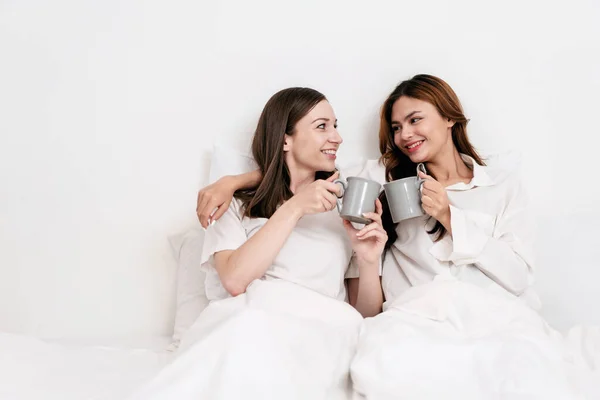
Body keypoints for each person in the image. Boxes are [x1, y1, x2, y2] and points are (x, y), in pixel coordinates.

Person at [196, 75, 589, 398]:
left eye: (415, 120)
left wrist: (449, 219)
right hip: (412, 321)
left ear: (450, 117)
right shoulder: (383, 181)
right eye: (397, 128)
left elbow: (518, 276)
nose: (405, 135)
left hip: (485, 315)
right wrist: (235, 180)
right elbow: (303, 168)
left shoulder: (501, 186)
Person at [130, 87, 386, 400]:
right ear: (285, 139)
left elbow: (367, 317)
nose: (336, 137)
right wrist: (293, 208)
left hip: (322, 336)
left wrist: (369, 260)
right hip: (253, 325)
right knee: (244, 334)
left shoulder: (344, 211)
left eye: (335, 125)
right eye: (322, 126)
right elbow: (235, 280)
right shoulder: (233, 205)